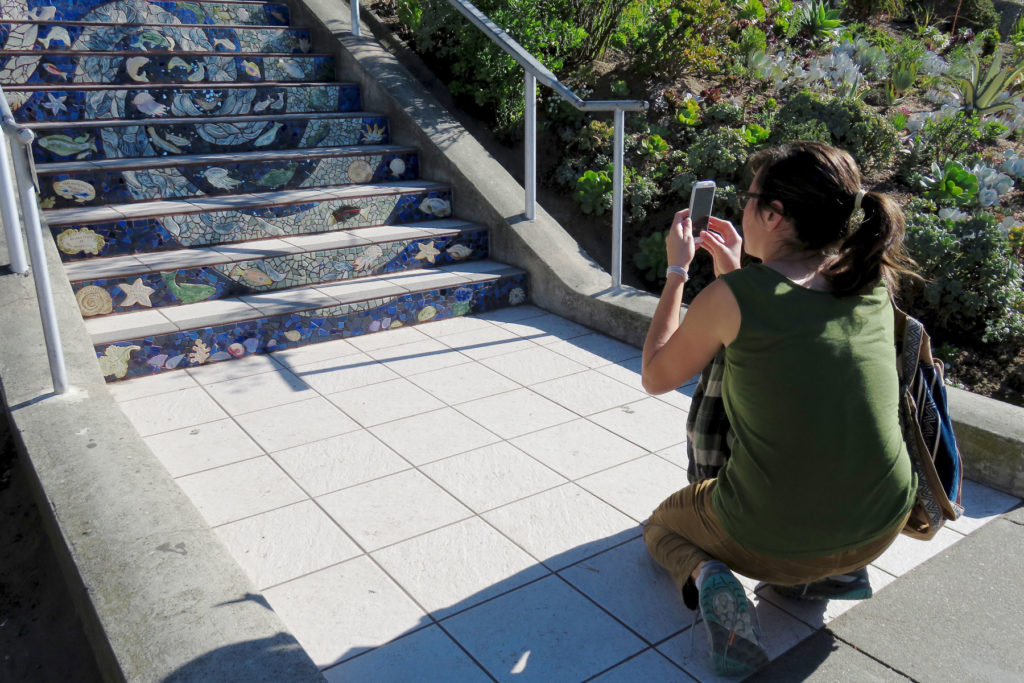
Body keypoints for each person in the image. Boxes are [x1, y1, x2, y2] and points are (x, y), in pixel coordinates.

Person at [640, 141, 918, 677]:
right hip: (882, 526)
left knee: (661, 528)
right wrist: (738, 267)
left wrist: (678, 272)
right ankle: (832, 573)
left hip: (768, 535)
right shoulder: (871, 279)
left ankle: (711, 579)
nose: (744, 209)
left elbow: (657, 375)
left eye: (750, 199)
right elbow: (782, 325)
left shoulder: (735, 298)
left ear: (773, 214)